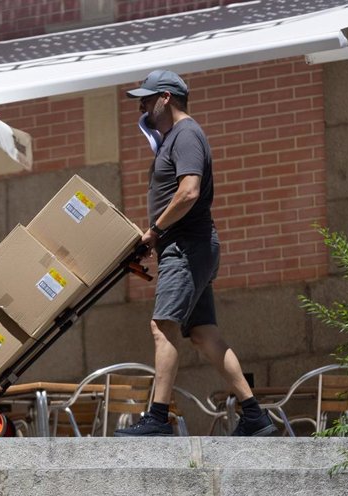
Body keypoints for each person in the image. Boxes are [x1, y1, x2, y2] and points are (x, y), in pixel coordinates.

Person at [114, 69, 277, 437]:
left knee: (163, 327)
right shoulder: (176, 137)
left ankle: (157, 418)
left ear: (166, 98)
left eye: (146, 98)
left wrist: (155, 231)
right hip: (191, 246)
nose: (141, 105)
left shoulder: (186, 135)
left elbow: (188, 192)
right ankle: (255, 415)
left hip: (186, 247)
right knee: (204, 334)